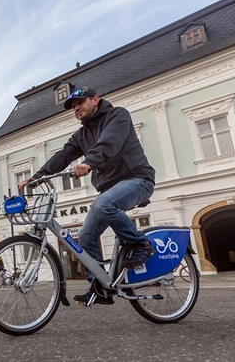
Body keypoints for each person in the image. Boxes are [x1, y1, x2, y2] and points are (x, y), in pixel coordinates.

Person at [19, 86, 155, 305]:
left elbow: (109, 142)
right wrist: (36, 177)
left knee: (103, 204)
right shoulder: (82, 134)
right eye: (73, 107)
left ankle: (141, 244)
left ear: (95, 99)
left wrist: (89, 162)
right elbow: (63, 156)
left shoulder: (117, 116)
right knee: (86, 236)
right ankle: (100, 286)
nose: (76, 108)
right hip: (109, 190)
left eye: (80, 103)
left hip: (138, 180)